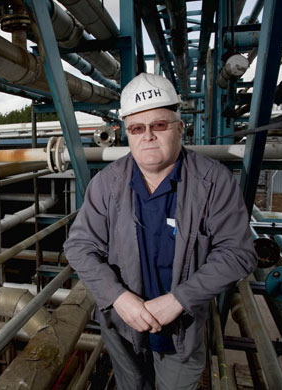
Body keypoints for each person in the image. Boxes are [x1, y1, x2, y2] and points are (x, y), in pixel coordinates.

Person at [63, 73, 257, 390]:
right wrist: (119, 298)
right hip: (124, 327)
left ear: (180, 128)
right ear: (127, 134)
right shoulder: (107, 183)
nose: (148, 136)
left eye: (160, 125)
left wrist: (178, 300)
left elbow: (237, 253)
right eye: (137, 128)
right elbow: (79, 247)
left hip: (183, 327)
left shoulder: (214, 182)